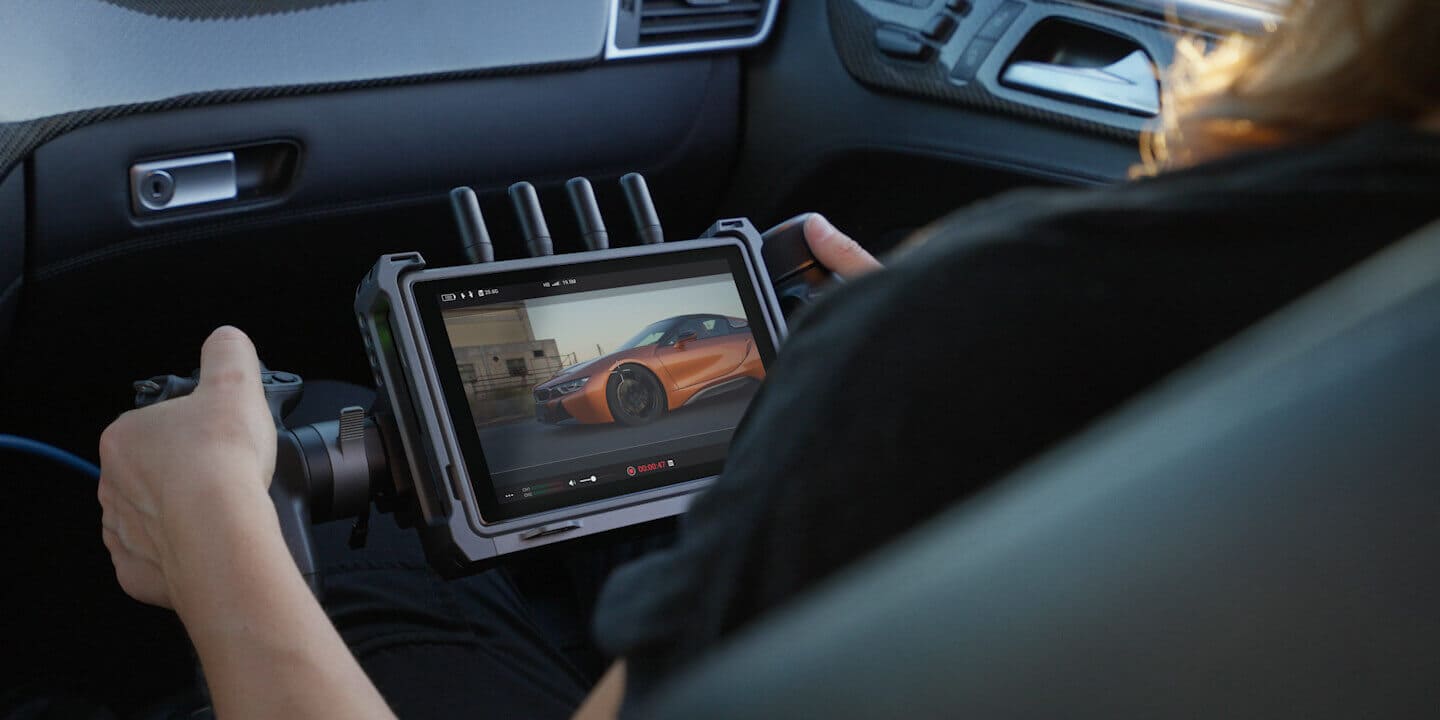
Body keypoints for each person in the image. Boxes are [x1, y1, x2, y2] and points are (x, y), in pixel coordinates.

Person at [98, 0, 1440, 717]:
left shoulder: (1006, 314)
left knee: (356, 529)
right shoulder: (1373, 306)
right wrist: (902, 398)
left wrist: (215, 532)